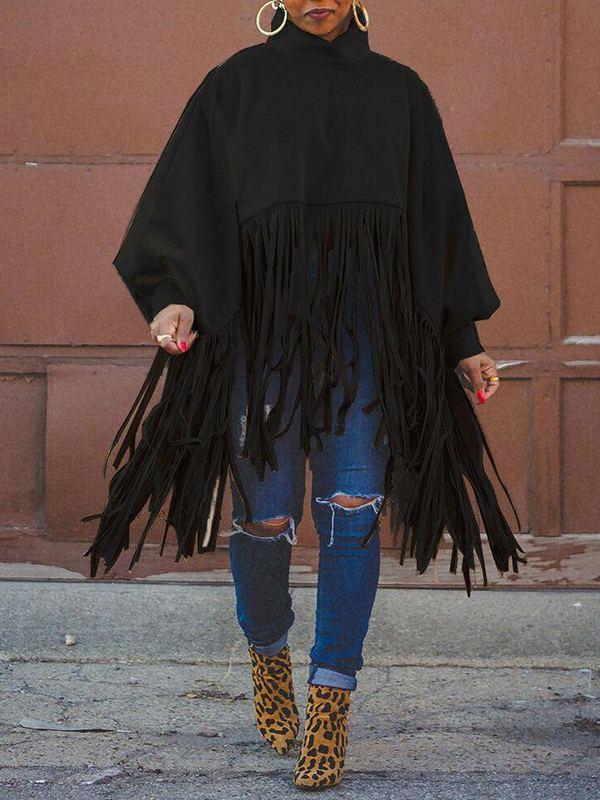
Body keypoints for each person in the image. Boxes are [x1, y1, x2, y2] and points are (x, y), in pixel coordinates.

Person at [82, 0, 525, 789]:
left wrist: (463, 340)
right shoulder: (235, 85)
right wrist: (171, 299)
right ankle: (267, 656)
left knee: (353, 512)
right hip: (262, 343)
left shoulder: (401, 93)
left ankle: (330, 702)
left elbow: (437, 223)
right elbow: (185, 206)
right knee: (266, 519)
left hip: (367, 343)